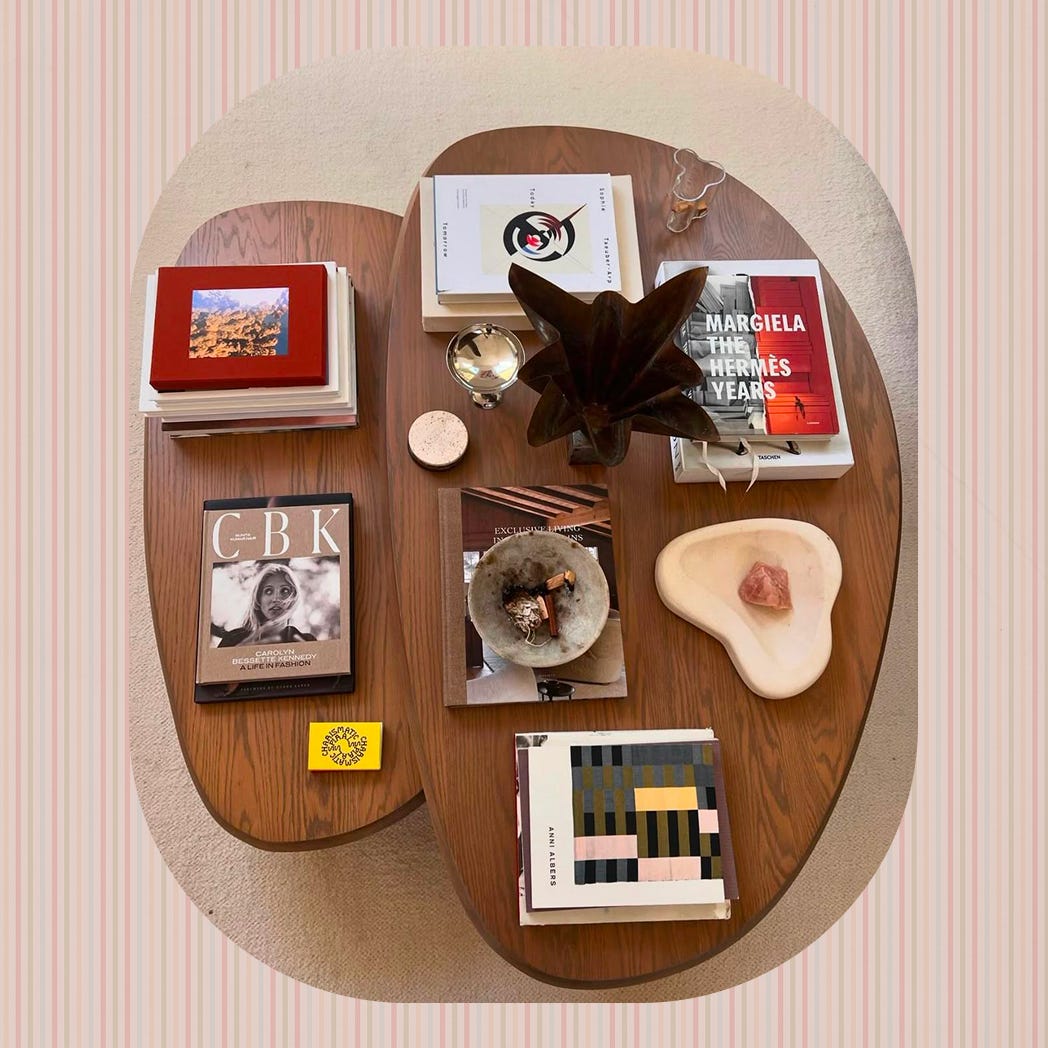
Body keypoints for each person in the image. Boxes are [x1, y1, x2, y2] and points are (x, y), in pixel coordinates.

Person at [215, 563, 317, 647]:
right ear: (258, 599)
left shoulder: (307, 642)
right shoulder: (233, 639)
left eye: (284, 590)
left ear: (294, 598)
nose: (276, 599)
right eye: (268, 591)